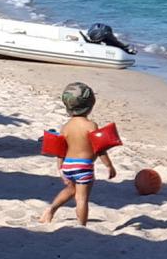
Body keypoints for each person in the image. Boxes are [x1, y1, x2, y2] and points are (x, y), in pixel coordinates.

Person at [40, 82, 117, 225]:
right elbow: (99, 149)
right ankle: (82, 226)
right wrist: (109, 166)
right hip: (84, 166)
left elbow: (60, 150)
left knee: (71, 189)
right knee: (82, 199)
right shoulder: (91, 125)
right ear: (90, 106)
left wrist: (60, 169)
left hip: (68, 166)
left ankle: (51, 209)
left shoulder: (66, 127)